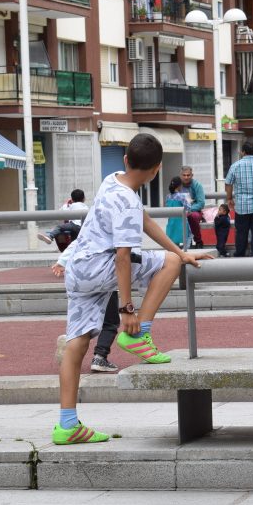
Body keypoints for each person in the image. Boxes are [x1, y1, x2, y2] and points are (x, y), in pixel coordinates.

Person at [55, 133, 209, 445]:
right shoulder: (126, 200)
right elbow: (123, 257)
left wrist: (182, 251)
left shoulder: (112, 180)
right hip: (100, 267)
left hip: (78, 269)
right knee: (167, 264)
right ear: (157, 170)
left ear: (126, 160)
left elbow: (145, 220)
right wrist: (128, 311)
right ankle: (139, 334)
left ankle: (67, 425)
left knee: (77, 343)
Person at [51, 244, 119, 373]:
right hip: (106, 280)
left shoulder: (91, 229)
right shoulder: (113, 229)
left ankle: (70, 341)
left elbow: (77, 243)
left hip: (83, 280)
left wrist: (62, 261)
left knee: (85, 322)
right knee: (110, 322)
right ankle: (100, 357)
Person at [178, 166, 206, 248]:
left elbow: (201, 203)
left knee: (192, 216)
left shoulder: (197, 185)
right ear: (180, 175)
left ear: (192, 175)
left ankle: (198, 241)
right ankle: (176, 242)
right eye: (184, 175)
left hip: (194, 211)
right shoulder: (177, 185)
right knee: (174, 217)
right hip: (180, 210)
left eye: (188, 175)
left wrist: (188, 209)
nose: (186, 177)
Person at [164, 176, 188, 248]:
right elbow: (188, 207)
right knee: (183, 237)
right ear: (180, 186)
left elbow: (167, 206)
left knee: (172, 241)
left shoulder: (168, 196)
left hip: (171, 221)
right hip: (180, 222)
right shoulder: (182, 196)